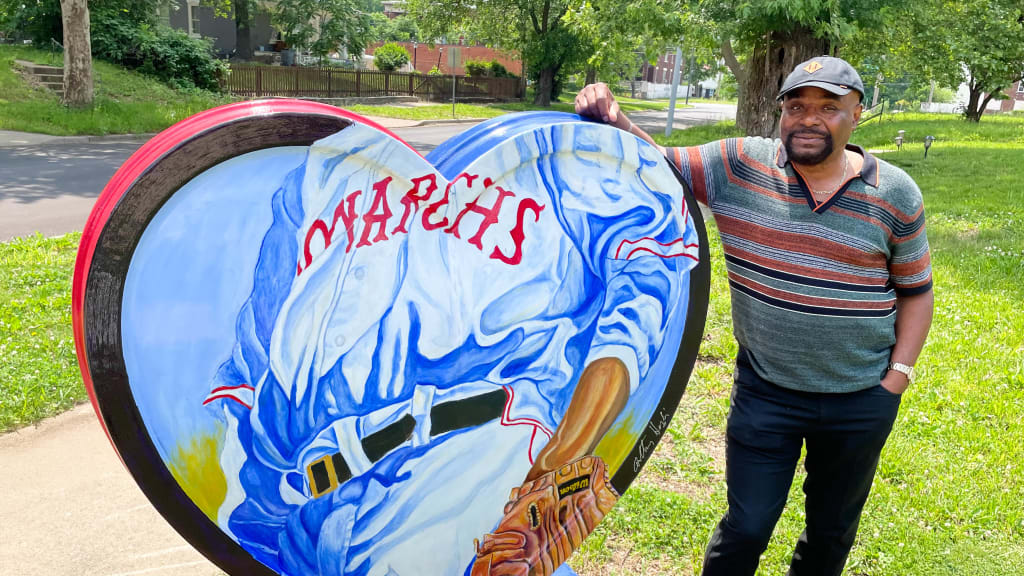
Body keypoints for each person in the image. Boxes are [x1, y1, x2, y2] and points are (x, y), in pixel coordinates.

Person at [201, 119, 699, 576]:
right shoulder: (323, 170)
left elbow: (642, 292)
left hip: (472, 459)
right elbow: (255, 350)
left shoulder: (567, 161)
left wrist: (558, 459)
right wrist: (253, 512)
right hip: (307, 497)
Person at [575, 55, 934, 576]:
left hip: (860, 399)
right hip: (766, 392)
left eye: (828, 107)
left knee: (831, 532)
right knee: (745, 528)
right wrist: (612, 113)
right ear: (781, 112)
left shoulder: (894, 193)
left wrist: (896, 380)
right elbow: (653, 163)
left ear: (857, 114)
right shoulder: (738, 166)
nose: (808, 118)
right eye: (796, 106)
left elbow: (916, 292)